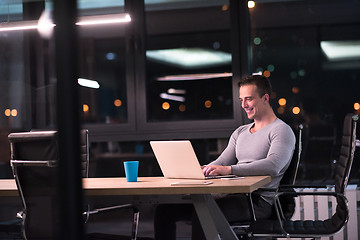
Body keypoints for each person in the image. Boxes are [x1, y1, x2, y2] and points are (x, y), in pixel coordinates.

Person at [154, 74, 296, 240]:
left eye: (249, 99)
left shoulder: (281, 130)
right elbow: (221, 162)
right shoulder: (240, 132)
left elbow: (273, 166)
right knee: (164, 211)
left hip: (258, 202)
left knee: (203, 215)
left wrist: (229, 170)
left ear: (265, 98)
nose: (244, 105)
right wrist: (203, 169)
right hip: (232, 196)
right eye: (241, 99)